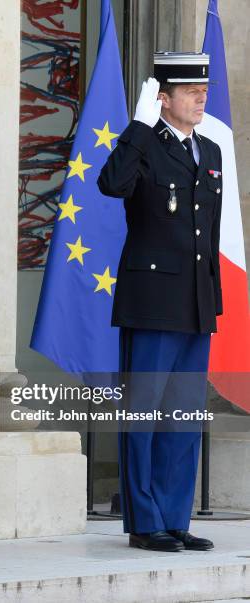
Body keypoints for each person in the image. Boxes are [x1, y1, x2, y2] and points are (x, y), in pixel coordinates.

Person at [98, 52, 222, 552]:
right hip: (151, 301)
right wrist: (137, 126)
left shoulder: (209, 150)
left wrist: (211, 297)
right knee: (143, 416)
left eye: (203, 91)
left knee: (185, 417)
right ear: (163, 98)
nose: (200, 98)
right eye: (190, 92)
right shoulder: (144, 144)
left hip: (194, 302)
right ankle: (144, 521)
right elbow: (111, 185)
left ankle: (175, 516)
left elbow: (207, 234)